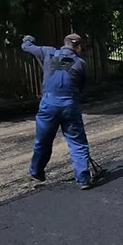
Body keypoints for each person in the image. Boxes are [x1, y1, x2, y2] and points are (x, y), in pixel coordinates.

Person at [21, 33, 93, 189]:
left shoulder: (48, 52)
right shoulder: (80, 63)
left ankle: (36, 172)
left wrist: (28, 39)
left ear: (65, 43)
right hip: (69, 105)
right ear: (79, 47)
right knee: (77, 142)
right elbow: (81, 88)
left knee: (43, 141)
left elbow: (26, 47)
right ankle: (83, 179)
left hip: (48, 105)